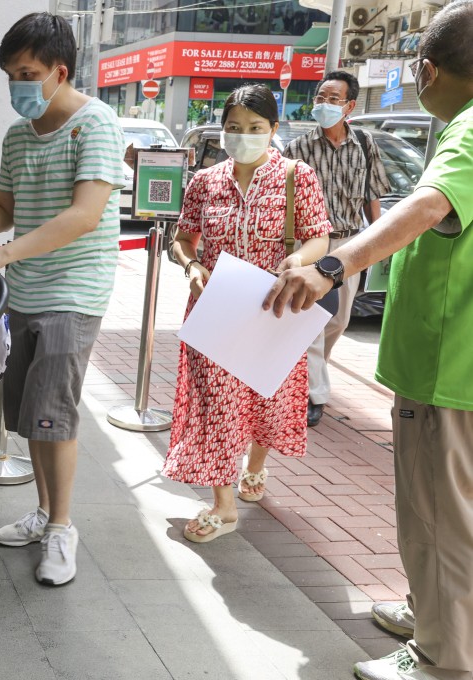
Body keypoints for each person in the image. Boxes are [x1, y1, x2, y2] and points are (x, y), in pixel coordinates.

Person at [265, 3, 473, 677]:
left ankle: (440, 656)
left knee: (437, 513)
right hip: (455, 361)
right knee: (449, 509)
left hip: (447, 365)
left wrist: (333, 264)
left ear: (429, 69)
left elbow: (428, 205)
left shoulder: (467, 132)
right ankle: (437, 613)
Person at [0, 12, 124, 586]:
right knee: (32, 416)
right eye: (11, 74)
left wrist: (3, 255)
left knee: (54, 416)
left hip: (74, 291)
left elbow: (85, 215)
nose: (17, 85)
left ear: (59, 71)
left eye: (27, 73)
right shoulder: (18, 135)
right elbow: (3, 212)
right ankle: (43, 514)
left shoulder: (97, 125)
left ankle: (62, 528)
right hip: (27, 292)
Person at [165, 84, 331, 542]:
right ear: (222, 131)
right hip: (215, 305)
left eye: (255, 128)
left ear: (273, 129)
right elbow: (183, 238)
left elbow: (319, 237)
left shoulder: (298, 176)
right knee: (214, 403)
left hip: (275, 304)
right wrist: (192, 265)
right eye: (234, 128)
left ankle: (255, 468)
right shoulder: (205, 181)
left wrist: (299, 262)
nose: (243, 136)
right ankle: (223, 503)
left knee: (265, 396)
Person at [282, 70, 390, 428]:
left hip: (350, 243)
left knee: (339, 320)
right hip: (312, 243)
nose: (324, 105)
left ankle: (311, 374)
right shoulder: (297, 149)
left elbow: (373, 195)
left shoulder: (364, 142)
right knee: (312, 318)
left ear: (349, 106)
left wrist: (377, 241)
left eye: (333, 99)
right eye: (320, 98)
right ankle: (315, 394)